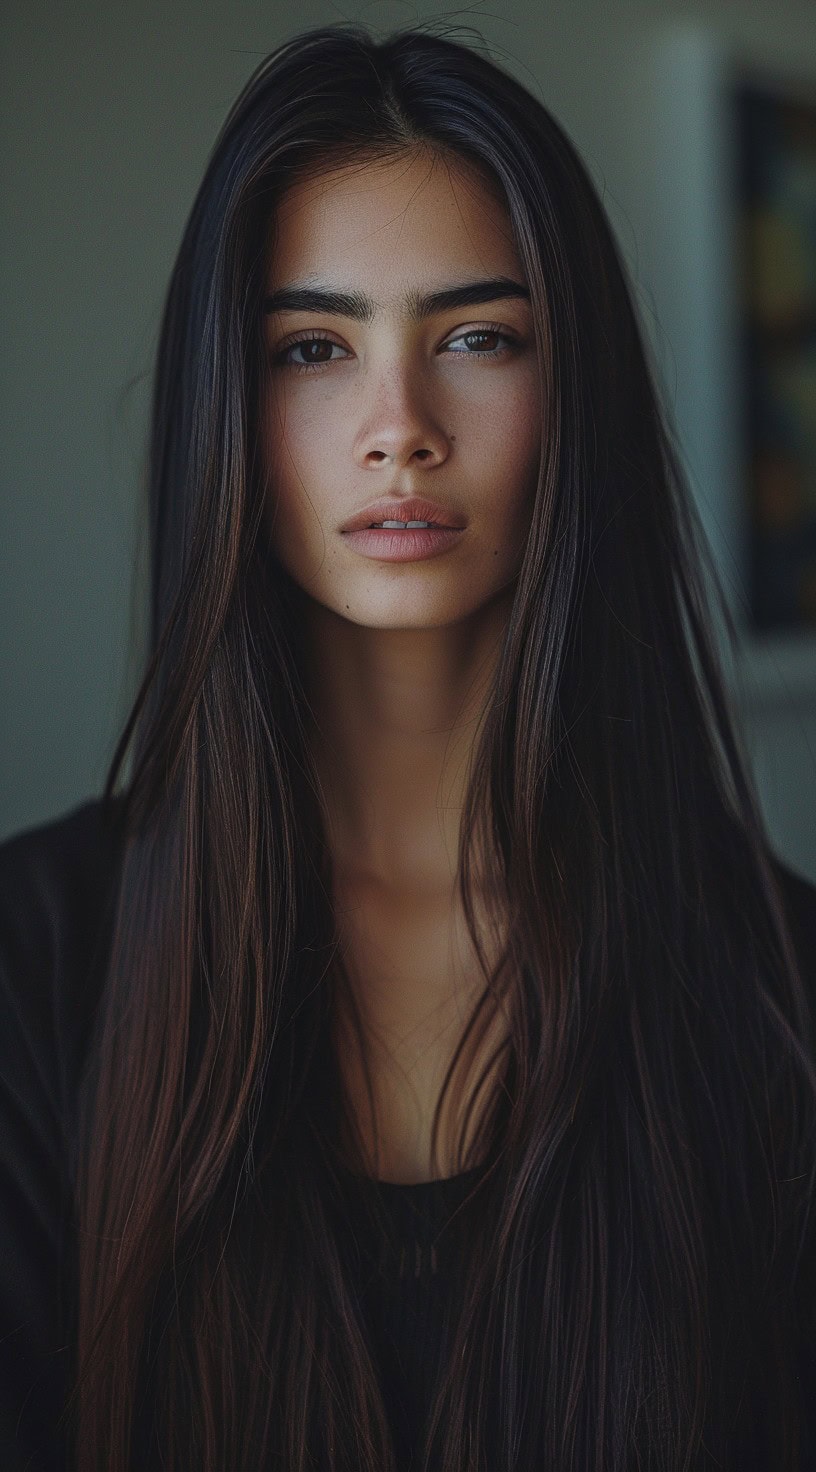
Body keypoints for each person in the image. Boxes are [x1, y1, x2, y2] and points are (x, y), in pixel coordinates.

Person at [1, 19, 815, 1472]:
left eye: (477, 338)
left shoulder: (770, 981)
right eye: (313, 348)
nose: (399, 427)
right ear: (224, 410)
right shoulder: (33, 964)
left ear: (579, 397)